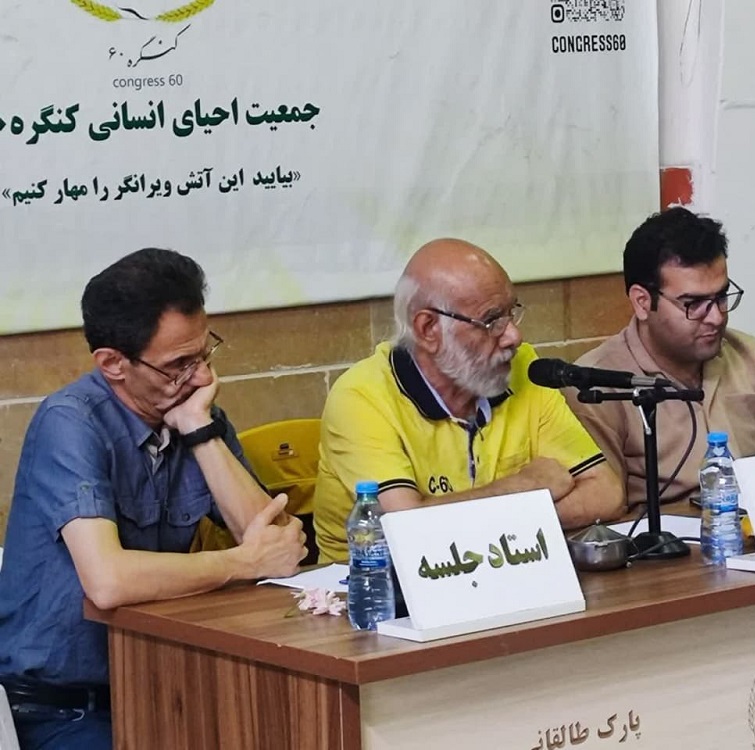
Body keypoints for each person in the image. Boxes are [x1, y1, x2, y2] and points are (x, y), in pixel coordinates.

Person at [0, 248, 307, 750]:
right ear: (112, 364)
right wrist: (241, 562)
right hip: (62, 709)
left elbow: (277, 546)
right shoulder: (70, 423)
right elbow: (109, 581)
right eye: (179, 365)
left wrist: (199, 432)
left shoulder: (196, 412)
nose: (202, 378)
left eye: (205, 354)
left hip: (161, 682)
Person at [314, 238, 624, 563]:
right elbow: (407, 529)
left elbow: (605, 493)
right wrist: (525, 487)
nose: (514, 336)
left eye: (512, 313)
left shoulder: (521, 368)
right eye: (491, 321)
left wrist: (493, 518)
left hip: (500, 567)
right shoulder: (361, 397)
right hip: (374, 585)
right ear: (428, 329)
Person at [567, 208, 755, 510]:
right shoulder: (596, 386)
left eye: (721, 297)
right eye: (694, 304)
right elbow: (606, 512)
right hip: (662, 538)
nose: (716, 317)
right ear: (642, 302)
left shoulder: (754, 358)